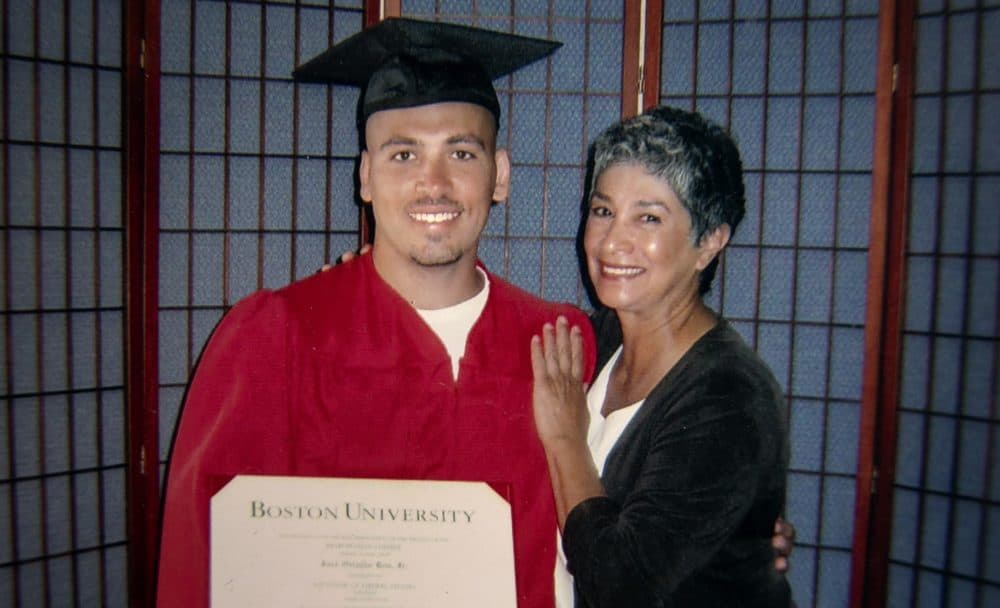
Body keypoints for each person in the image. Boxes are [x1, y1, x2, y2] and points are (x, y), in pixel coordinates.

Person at [155, 19, 597, 608]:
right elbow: (202, 559)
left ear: (501, 176)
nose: (432, 183)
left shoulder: (558, 343)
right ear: (365, 177)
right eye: (403, 154)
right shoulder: (277, 337)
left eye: (461, 152)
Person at [531, 106, 792, 606]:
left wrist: (565, 436)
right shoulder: (590, 340)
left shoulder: (730, 396)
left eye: (648, 217)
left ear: (709, 242)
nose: (612, 241)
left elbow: (620, 584)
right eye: (603, 211)